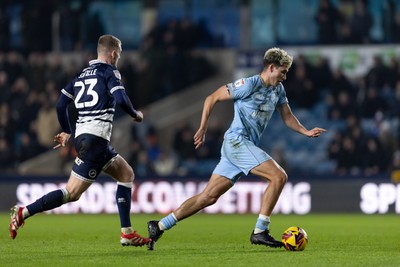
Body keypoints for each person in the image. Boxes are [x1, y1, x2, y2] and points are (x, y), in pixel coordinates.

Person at [146, 47, 326, 250]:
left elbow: (287, 117)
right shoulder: (248, 84)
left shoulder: (278, 90)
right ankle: (260, 231)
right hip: (237, 143)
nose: (285, 76)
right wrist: (203, 127)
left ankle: (160, 225)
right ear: (271, 67)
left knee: (208, 197)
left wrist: (306, 131)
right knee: (279, 176)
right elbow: (211, 98)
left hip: (242, 147)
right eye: (283, 71)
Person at [9, 34, 151, 247]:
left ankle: (127, 232)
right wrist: (135, 114)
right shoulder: (110, 72)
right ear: (113, 53)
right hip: (96, 139)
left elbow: (60, 105)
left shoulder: (81, 75)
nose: (118, 58)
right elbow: (121, 99)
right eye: (118, 54)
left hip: (85, 137)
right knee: (71, 193)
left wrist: (67, 130)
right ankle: (24, 211)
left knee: (126, 173)